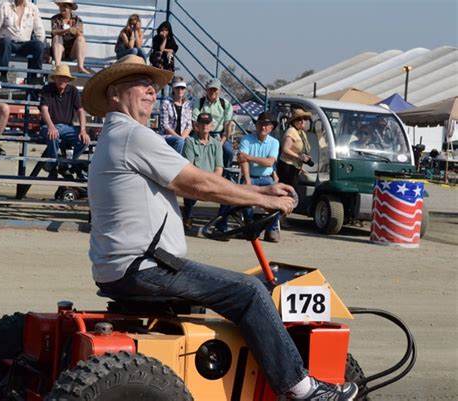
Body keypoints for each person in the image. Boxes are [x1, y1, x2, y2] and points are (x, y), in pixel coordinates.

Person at [82, 54, 357, 401]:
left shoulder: (115, 137)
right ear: (114, 94)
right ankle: (301, 390)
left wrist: (258, 190)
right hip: (146, 268)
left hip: (124, 267)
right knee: (250, 291)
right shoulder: (132, 136)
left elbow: (197, 182)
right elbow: (197, 184)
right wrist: (264, 200)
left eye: (153, 85)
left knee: (231, 289)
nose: (151, 91)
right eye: (141, 83)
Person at [238, 112, 281, 243]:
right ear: (256, 125)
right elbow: (242, 161)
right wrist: (247, 181)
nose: (263, 127)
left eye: (266, 125)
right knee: (244, 196)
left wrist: (249, 157)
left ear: (271, 128)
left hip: (266, 177)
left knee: (278, 199)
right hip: (251, 176)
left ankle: (271, 229)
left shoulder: (274, 142)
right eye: (261, 124)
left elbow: (269, 162)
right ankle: (250, 226)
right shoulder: (246, 139)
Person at [40, 64, 90, 174]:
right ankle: (54, 164)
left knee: (85, 140)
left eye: (64, 77)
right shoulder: (47, 89)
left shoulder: (73, 90)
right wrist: (51, 126)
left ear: (68, 79)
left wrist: (83, 130)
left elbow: (81, 110)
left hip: (67, 128)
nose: (62, 80)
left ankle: (67, 163)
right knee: (52, 134)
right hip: (48, 126)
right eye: (59, 77)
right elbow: (44, 109)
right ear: (55, 78)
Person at [0, 0, 46, 83]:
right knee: (6, 41)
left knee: (38, 45)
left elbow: (39, 29)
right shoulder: (5, 6)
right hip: (8, 42)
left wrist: (45, 48)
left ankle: (35, 75)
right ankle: (3, 73)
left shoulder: (32, 8)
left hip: (24, 44)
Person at [181, 112, 223, 230]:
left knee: (230, 195)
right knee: (189, 186)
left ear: (211, 126)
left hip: (212, 180)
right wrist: (204, 181)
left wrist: (212, 181)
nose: (205, 126)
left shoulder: (217, 144)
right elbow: (190, 167)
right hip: (196, 179)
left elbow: (219, 168)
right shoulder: (189, 141)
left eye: (207, 123)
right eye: (202, 123)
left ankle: (221, 225)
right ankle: (188, 216)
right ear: (197, 125)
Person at [192, 77, 235, 167]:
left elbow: (228, 127)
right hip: (201, 134)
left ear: (219, 90)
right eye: (210, 89)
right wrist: (202, 138)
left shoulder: (226, 104)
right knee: (192, 147)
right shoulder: (199, 102)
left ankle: (225, 174)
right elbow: (195, 122)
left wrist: (221, 143)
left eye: (215, 89)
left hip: (220, 135)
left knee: (229, 151)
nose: (212, 92)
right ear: (206, 90)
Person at [277, 109, 313, 188]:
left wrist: (305, 158)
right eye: (299, 119)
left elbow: (302, 149)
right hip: (287, 166)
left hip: (296, 167)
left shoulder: (302, 133)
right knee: (288, 190)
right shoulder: (291, 131)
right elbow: (285, 149)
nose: (302, 121)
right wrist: (299, 157)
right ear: (294, 121)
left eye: (304, 119)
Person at [51, 0, 90, 74]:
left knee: (81, 39)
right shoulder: (55, 18)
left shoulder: (77, 20)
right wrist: (66, 30)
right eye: (60, 6)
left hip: (72, 51)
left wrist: (76, 32)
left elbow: (81, 34)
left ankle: (80, 67)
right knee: (57, 37)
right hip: (60, 49)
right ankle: (58, 66)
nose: (62, 8)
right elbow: (54, 31)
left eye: (64, 6)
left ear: (70, 8)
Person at [159, 76, 192, 153]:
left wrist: (182, 137)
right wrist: (179, 138)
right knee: (180, 142)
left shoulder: (188, 104)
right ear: (173, 88)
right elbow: (165, 125)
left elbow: (189, 125)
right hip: (168, 136)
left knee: (192, 143)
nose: (180, 90)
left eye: (182, 88)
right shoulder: (166, 103)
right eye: (177, 88)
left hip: (183, 136)